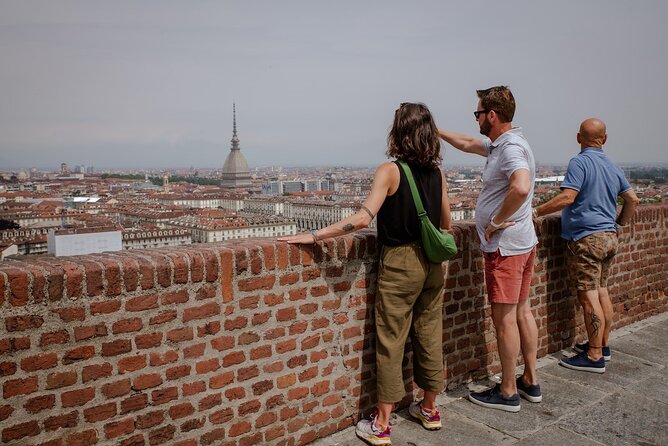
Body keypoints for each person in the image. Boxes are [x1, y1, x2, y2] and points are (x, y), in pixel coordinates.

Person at [279, 102, 451, 445]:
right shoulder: (438, 173)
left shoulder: (391, 170)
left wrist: (314, 236)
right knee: (430, 333)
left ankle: (382, 424)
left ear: (398, 131)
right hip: (433, 265)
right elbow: (445, 224)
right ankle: (429, 408)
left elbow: (361, 220)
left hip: (401, 263)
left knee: (391, 341)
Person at [437, 86, 541, 412]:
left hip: (505, 248)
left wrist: (495, 220)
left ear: (491, 115)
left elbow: (521, 187)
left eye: (478, 114)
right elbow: (468, 143)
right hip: (522, 243)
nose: (476, 119)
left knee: (504, 320)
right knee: (522, 312)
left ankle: (508, 390)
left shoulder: (509, 148)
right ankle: (530, 380)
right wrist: (434, 129)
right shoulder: (506, 144)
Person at [533, 118, 639, 373]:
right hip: (608, 237)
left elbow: (568, 196)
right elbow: (632, 200)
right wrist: (619, 224)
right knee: (602, 291)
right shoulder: (613, 166)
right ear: (604, 139)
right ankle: (602, 345)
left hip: (587, 239)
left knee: (589, 296)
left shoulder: (579, 162)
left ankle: (593, 356)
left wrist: (536, 211)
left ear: (578, 138)